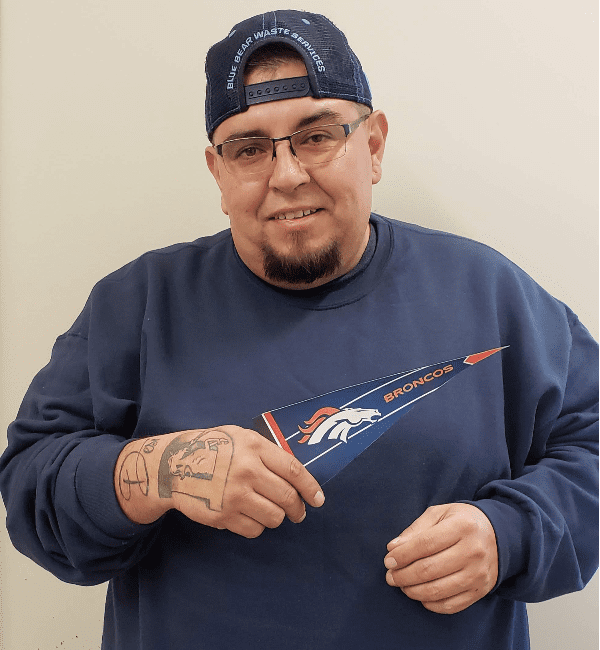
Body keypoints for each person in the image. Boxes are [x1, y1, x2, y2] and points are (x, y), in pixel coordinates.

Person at [1, 9, 598, 650]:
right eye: (250, 149)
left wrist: (508, 535)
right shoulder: (138, 306)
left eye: (317, 136)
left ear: (373, 147)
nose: (286, 176)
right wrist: (164, 467)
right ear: (217, 172)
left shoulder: (488, 295)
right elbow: (32, 488)